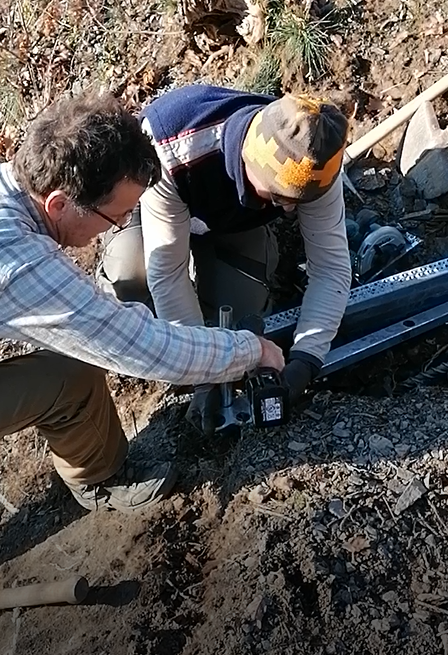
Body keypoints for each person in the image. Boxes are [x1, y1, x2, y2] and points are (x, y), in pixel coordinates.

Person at [0, 94, 284, 514]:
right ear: (58, 203)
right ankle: (99, 481)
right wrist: (251, 350)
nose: (124, 225)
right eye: (116, 217)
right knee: (70, 375)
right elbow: (140, 346)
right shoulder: (12, 266)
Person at [99, 86, 352, 433]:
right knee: (129, 273)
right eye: (279, 198)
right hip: (155, 205)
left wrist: (307, 359)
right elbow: (168, 272)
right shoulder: (173, 145)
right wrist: (200, 372)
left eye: (297, 201)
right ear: (250, 160)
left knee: (241, 317)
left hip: (228, 221)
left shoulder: (317, 164)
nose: (290, 209)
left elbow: (331, 268)